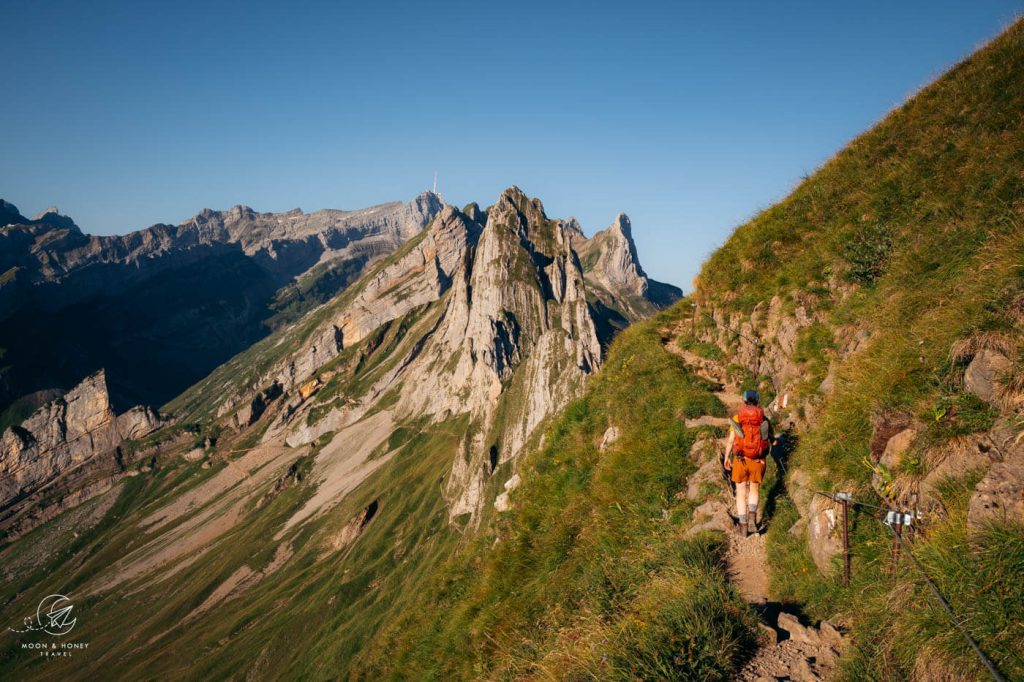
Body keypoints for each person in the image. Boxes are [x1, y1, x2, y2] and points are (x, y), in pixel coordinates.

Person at [723, 389, 774, 535]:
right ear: (757, 401)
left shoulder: (738, 417)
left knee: (740, 492)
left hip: (741, 459)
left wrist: (727, 457)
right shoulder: (763, 418)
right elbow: (769, 439)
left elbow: (731, 440)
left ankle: (744, 526)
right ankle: (752, 516)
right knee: (754, 489)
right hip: (758, 460)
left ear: (744, 401)